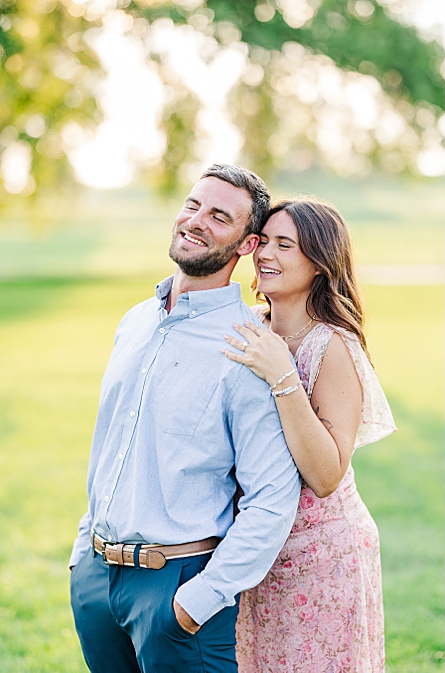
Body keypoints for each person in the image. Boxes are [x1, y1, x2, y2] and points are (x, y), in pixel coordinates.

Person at [68, 164, 302, 673]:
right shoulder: (135, 321)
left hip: (178, 588)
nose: (196, 221)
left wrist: (199, 601)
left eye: (219, 216)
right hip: (96, 580)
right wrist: (82, 555)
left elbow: (273, 497)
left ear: (246, 245)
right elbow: (109, 446)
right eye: (193, 205)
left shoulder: (248, 348)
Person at [222, 198, 396, 672]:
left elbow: (325, 475)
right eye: (263, 242)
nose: (265, 256)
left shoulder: (332, 346)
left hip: (320, 557)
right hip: (252, 549)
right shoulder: (247, 328)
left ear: (319, 264)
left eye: (285, 245)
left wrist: (284, 377)